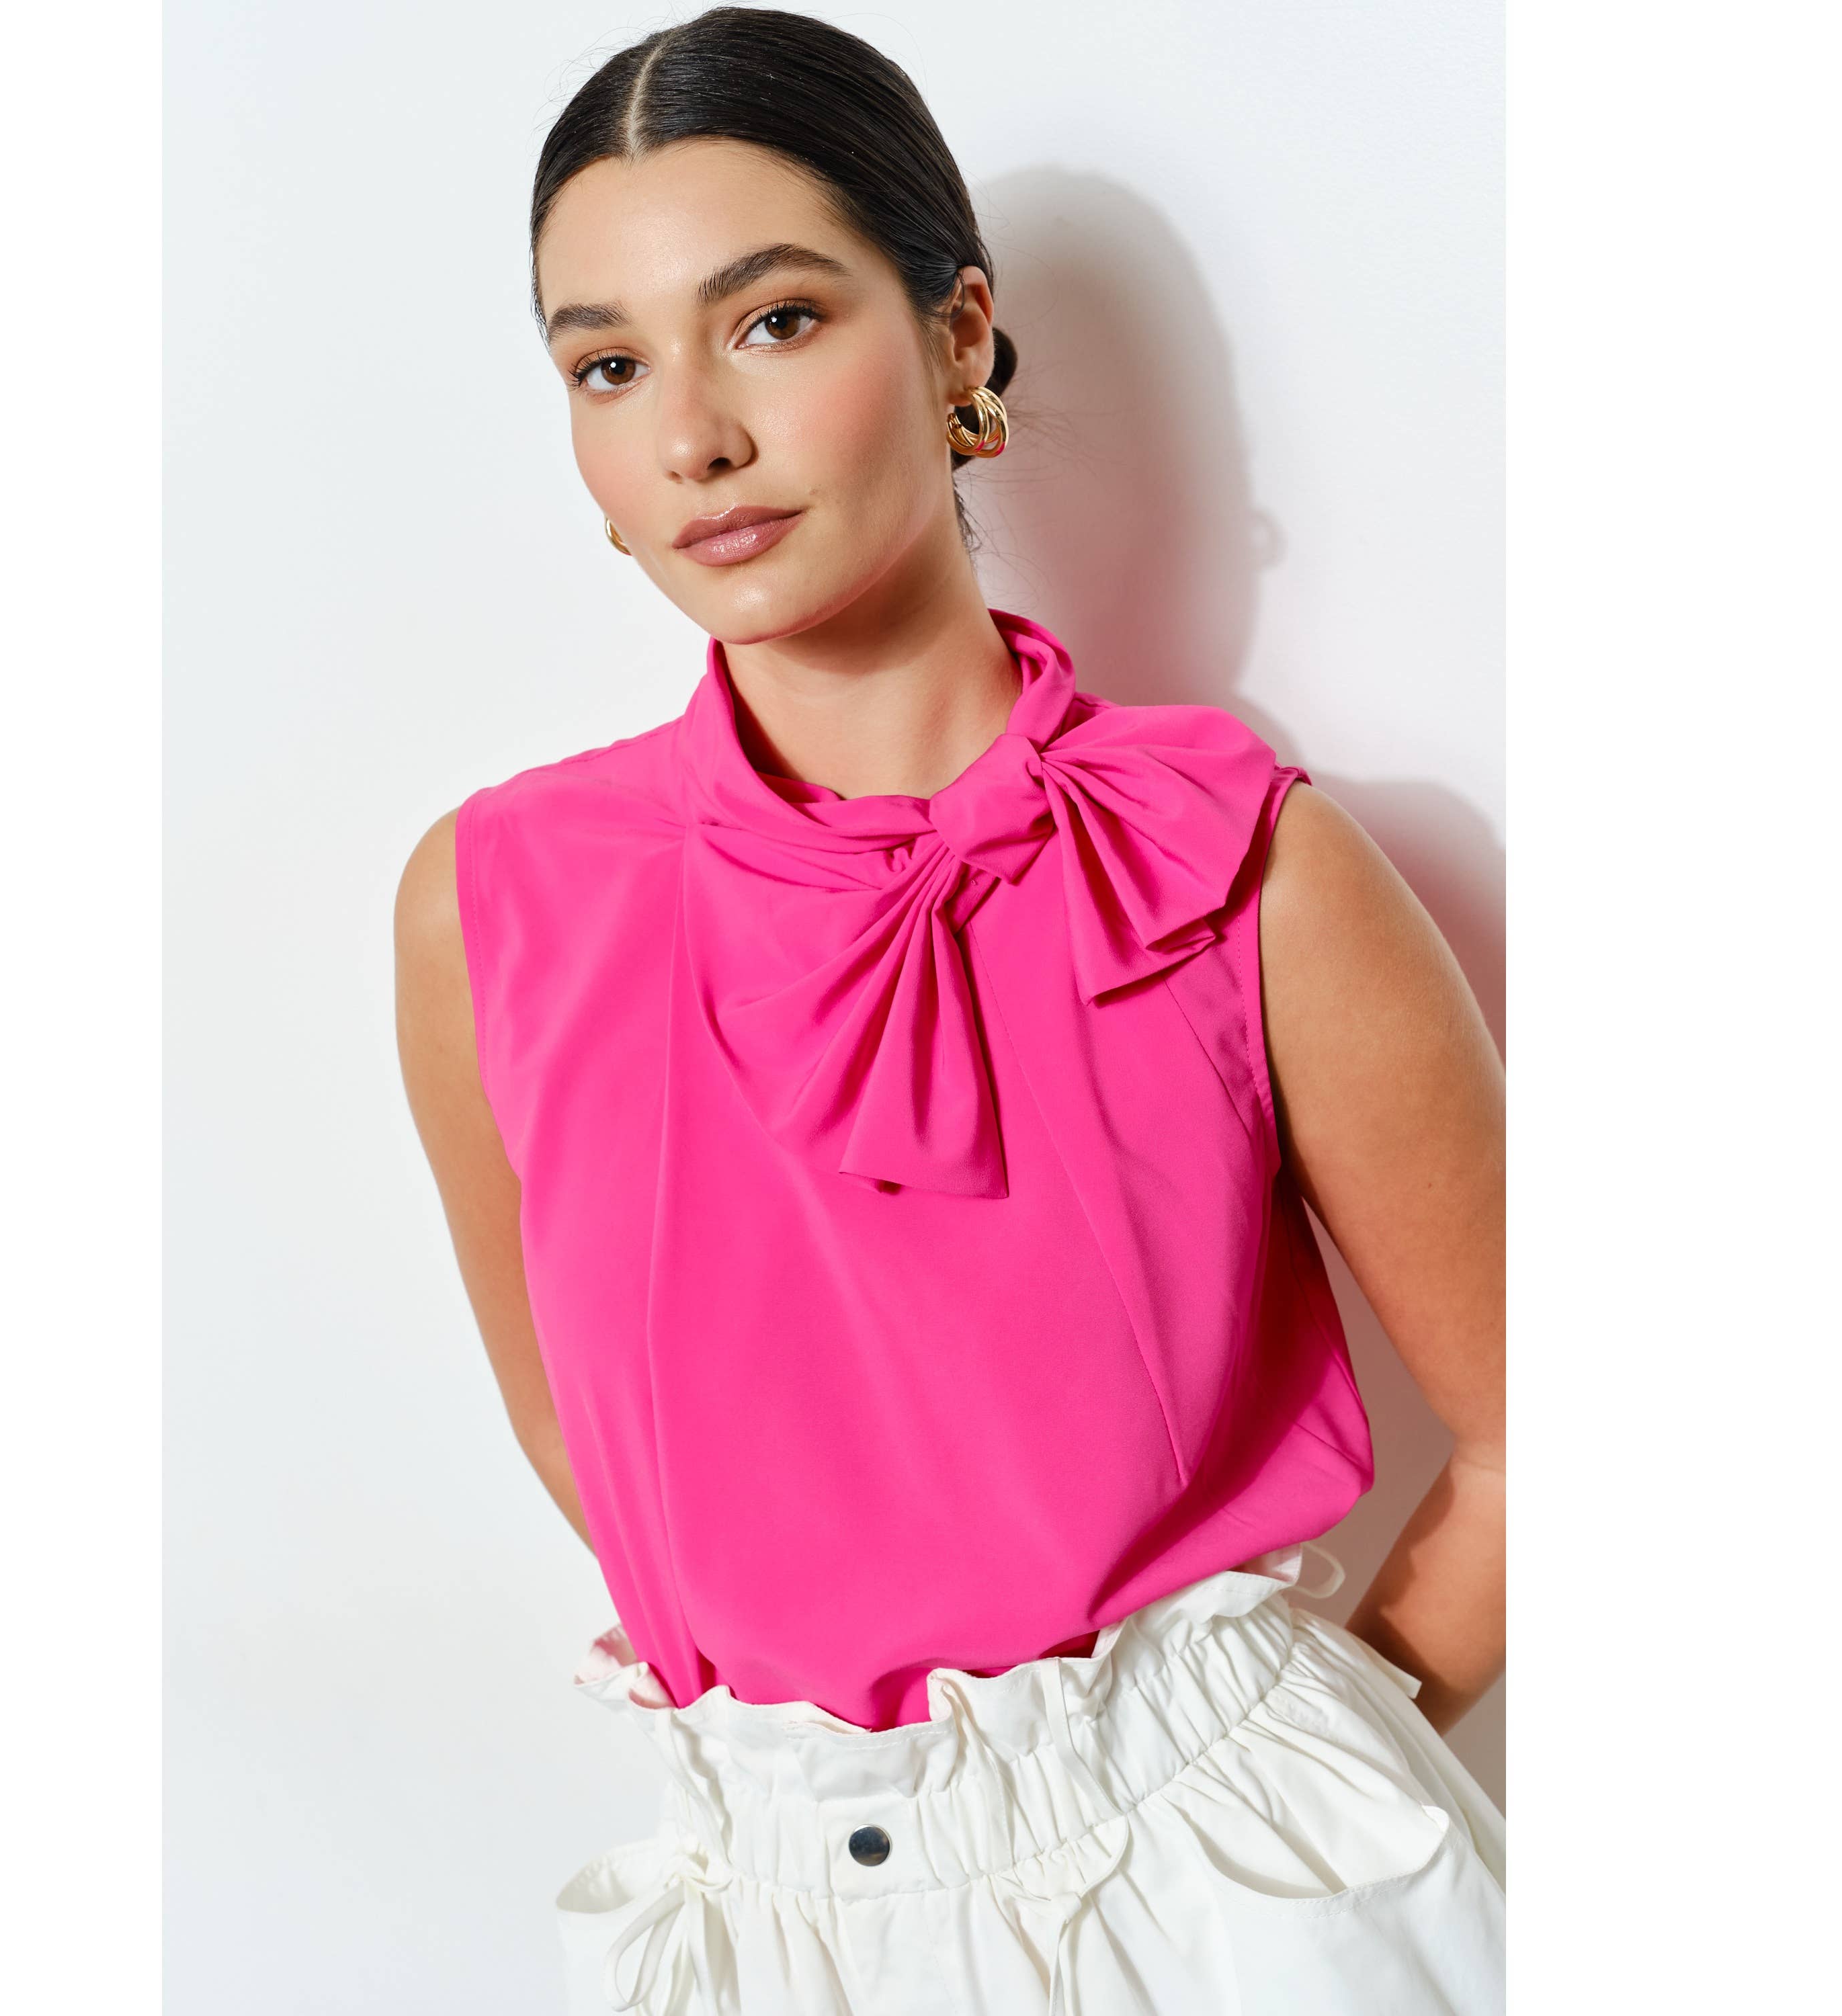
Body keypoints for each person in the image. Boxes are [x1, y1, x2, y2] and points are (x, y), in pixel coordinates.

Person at [395, 10, 1503, 2011]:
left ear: (959, 338)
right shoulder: (495, 905)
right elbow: (579, 1422)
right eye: (609, 365)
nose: (692, 438)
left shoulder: (1241, 864)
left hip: (1241, 1909)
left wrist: (1254, 1790)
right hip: (763, 1912)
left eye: (776, 322)